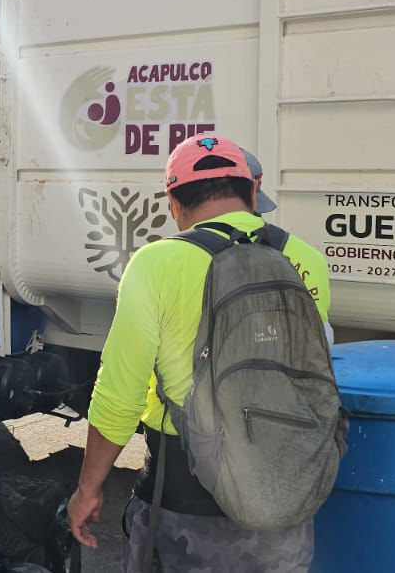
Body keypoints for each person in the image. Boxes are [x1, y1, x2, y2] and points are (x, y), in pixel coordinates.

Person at [66, 133, 332, 571]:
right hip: (286, 500)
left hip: (186, 507)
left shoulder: (156, 263)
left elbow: (119, 396)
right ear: (250, 192)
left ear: (174, 202)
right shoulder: (305, 259)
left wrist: (87, 490)